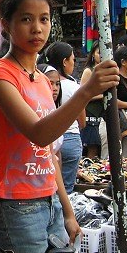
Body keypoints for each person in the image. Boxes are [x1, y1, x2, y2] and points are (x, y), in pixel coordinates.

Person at [0, 0, 119, 253]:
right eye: (26, 19)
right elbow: (39, 133)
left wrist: (67, 211)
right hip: (15, 204)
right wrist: (86, 91)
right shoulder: (0, 74)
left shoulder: (43, 81)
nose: (37, 28)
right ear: (6, 24)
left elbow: (49, 153)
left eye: (44, 19)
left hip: (49, 200)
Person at [43, 41, 85, 193]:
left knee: (52, 189)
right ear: (64, 61)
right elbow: (82, 121)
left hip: (50, 141)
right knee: (66, 190)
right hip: (70, 138)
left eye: (56, 85)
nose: (54, 88)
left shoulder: (40, 82)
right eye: (72, 59)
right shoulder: (74, 86)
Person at [80, 44, 105, 159]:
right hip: (91, 114)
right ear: (93, 54)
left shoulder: (107, 70)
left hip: (102, 113)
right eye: (99, 52)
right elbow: (82, 94)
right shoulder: (88, 71)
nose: (101, 55)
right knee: (92, 147)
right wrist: (102, 96)